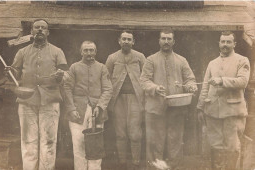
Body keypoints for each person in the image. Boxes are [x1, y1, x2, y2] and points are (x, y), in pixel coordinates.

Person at [5, 19, 68, 170]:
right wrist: (9, 72)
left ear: (48, 32)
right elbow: (14, 73)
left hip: (50, 100)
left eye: (43, 28)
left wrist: (61, 76)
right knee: (28, 141)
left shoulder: (57, 51)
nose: (40, 30)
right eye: (36, 27)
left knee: (49, 141)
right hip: (27, 100)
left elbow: (65, 74)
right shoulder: (22, 52)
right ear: (32, 31)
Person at [140, 29, 197, 170]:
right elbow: (144, 80)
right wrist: (155, 88)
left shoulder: (181, 60)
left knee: (175, 142)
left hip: (177, 109)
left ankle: (174, 168)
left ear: (173, 42)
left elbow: (190, 79)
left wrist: (191, 87)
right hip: (155, 109)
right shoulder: (150, 60)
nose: (166, 42)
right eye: (163, 38)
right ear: (159, 41)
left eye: (169, 39)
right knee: (155, 143)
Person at [197, 31, 250, 170]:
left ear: (234, 44)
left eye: (228, 42)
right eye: (223, 42)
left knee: (232, 148)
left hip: (233, 113)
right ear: (219, 43)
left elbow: (243, 82)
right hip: (213, 112)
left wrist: (221, 81)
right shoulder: (212, 63)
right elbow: (205, 86)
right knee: (215, 147)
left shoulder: (242, 60)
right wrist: (200, 107)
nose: (225, 45)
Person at [64, 41, 113, 170]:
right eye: (86, 50)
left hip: (97, 111)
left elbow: (108, 89)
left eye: (91, 50)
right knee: (79, 144)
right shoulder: (74, 67)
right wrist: (71, 109)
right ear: (81, 52)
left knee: (95, 147)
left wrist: (100, 106)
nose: (89, 53)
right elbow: (67, 88)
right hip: (78, 111)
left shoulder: (102, 68)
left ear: (95, 52)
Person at [105, 30, 145, 170]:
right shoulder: (112, 58)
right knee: (120, 133)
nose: (126, 42)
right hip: (118, 100)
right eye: (124, 39)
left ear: (133, 42)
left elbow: (146, 78)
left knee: (135, 133)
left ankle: (135, 163)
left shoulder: (140, 57)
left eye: (129, 39)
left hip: (136, 99)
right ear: (119, 41)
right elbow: (106, 78)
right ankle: (122, 163)